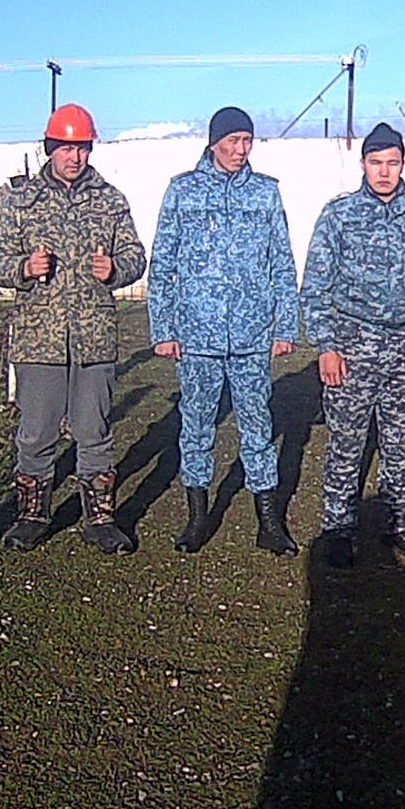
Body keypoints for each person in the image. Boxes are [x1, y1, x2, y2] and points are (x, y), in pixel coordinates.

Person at [0, 103, 147, 554]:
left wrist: (115, 268)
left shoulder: (110, 200)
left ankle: (100, 518)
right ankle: (32, 515)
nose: (75, 157)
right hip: (39, 339)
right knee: (36, 432)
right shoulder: (22, 201)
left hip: (94, 337)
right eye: (66, 148)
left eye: (82, 148)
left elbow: (136, 255)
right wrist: (23, 267)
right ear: (50, 148)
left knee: (94, 429)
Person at [147, 106, 301, 555]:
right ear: (214, 142)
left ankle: (268, 522)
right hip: (197, 334)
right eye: (232, 141)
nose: (240, 150)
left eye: (247, 141)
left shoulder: (265, 194)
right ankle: (197, 517)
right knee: (196, 425)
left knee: (257, 424)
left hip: (252, 335)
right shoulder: (183, 191)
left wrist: (284, 326)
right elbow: (164, 264)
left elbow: (282, 263)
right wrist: (163, 328)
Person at [300, 123, 405, 568]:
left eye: (393, 162)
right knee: (346, 441)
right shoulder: (339, 215)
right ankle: (338, 528)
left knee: (400, 442)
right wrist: (325, 344)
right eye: (376, 162)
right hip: (351, 342)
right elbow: (315, 286)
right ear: (363, 164)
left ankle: (394, 525)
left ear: (403, 164)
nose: (384, 172)